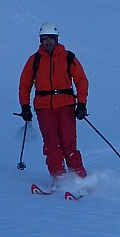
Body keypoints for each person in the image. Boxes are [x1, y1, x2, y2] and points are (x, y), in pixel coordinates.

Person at [19, 22, 89, 185]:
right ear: (40, 40)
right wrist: (25, 106)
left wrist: (82, 103)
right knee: (51, 144)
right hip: (44, 108)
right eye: (45, 38)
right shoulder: (34, 60)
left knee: (68, 143)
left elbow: (81, 80)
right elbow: (24, 85)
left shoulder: (68, 57)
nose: (48, 41)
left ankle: (79, 179)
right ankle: (59, 178)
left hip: (66, 106)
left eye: (51, 38)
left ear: (56, 39)